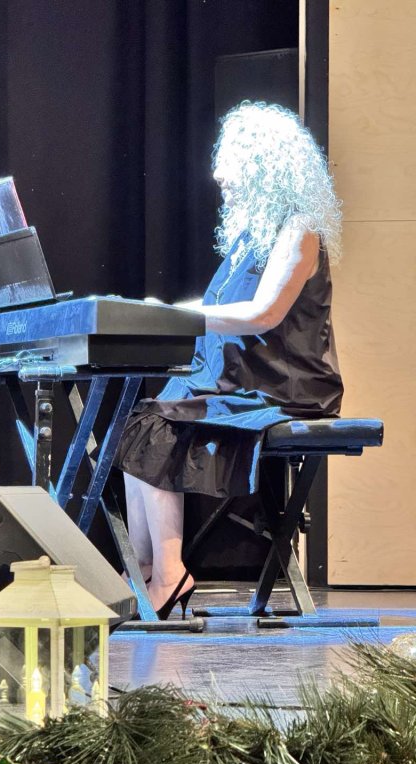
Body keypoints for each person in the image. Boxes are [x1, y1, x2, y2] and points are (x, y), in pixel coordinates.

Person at [116, 101, 344, 620]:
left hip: (285, 387)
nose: (222, 181)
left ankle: (170, 574)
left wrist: (178, 318)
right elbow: (218, 308)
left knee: (159, 426)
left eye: (234, 170)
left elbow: (264, 314)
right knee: (140, 426)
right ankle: (145, 570)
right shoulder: (251, 239)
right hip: (244, 378)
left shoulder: (300, 230)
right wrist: (164, 314)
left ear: (267, 169)